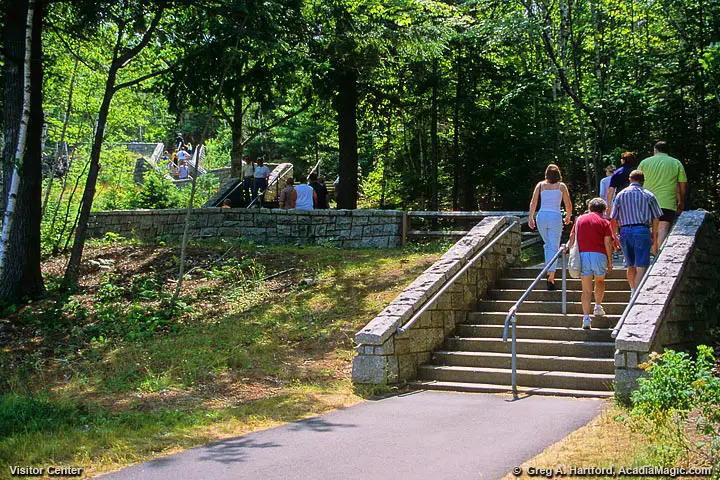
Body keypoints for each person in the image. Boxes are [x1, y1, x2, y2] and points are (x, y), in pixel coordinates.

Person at [610, 170, 663, 296]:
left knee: (630, 264)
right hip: (641, 230)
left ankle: (633, 290)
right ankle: (637, 294)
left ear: (630, 179)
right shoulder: (648, 195)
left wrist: (615, 235)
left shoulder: (620, 195)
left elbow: (613, 218)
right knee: (642, 264)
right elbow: (656, 218)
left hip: (625, 231)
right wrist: (654, 238)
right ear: (642, 181)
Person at [568, 198, 614, 330]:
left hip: (583, 255)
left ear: (590, 207)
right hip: (599, 255)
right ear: (603, 210)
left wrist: (572, 253)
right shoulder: (604, 222)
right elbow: (607, 242)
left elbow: (572, 237)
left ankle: (586, 318)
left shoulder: (579, 219)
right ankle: (598, 306)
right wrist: (610, 261)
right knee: (599, 281)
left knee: (586, 290)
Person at [528, 164, 573, 290]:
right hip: (555, 216)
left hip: (542, 216)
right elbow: (568, 204)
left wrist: (531, 217)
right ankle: (550, 275)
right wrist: (568, 216)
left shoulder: (540, 185)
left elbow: (534, 201)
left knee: (548, 245)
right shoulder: (561, 186)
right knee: (553, 245)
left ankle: (549, 272)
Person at [637, 141, 688, 246]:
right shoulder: (676, 163)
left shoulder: (644, 162)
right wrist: (681, 201)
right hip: (667, 202)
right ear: (668, 151)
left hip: (646, 202)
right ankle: (658, 254)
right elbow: (682, 185)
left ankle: (648, 254)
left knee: (649, 228)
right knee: (663, 228)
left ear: (655, 150)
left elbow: (636, 181)